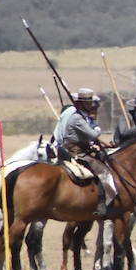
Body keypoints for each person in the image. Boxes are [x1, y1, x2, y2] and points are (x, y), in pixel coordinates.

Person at [54, 87, 114, 216]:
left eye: (90, 102)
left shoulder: (82, 117)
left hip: (82, 148)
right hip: (75, 151)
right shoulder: (77, 118)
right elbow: (93, 134)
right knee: (102, 170)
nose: (90, 105)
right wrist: (97, 128)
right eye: (87, 103)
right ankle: (101, 204)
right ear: (80, 103)